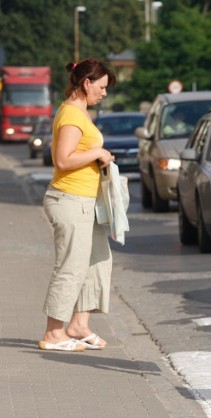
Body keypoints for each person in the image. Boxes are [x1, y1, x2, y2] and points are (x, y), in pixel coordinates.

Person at [38, 58, 116, 352]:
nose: (104, 93)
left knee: (98, 261)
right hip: (70, 200)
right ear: (86, 83)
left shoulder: (80, 111)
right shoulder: (71, 114)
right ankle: (53, 333)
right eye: (102, 87)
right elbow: (62, 159)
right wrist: (98, 152)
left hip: (86, 202)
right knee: (70, 266)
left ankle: (78, 325)